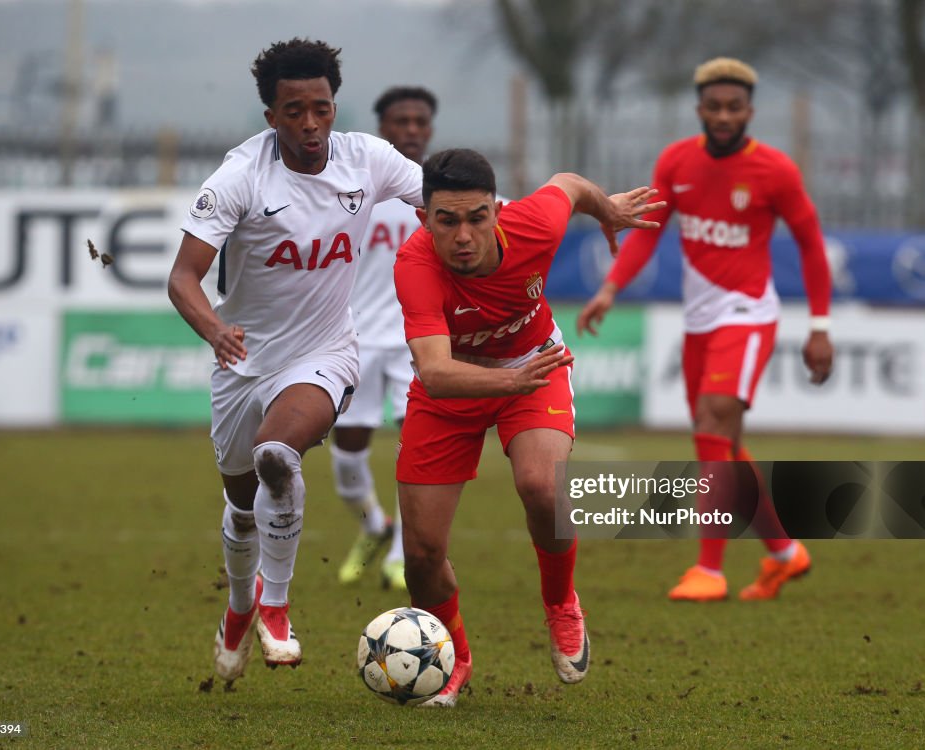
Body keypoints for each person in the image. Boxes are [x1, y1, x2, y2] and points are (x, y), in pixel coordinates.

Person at [167, 38, 423, 684]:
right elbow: (183, 278)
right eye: (294, 112)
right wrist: (215, 330)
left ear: (335, 106)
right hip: (244, 362)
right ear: (271, 117)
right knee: (241, 499)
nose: (311, 125)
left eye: (322, 108)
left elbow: (445, 200)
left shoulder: (368, 160)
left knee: (278, 456)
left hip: (324, 352)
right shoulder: (240, 177)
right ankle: (237, 608)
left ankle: (275, 608)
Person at [394, 148, 664, 706]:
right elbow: (438, 375)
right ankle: (454, 659)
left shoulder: (535, 224)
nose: (463, 235)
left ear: (497, 210)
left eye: (476, 217)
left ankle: (562, 603)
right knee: (420, 555)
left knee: (543, 487)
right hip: (454, 390)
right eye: (447, 221)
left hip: (535, 367)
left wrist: (607, 210)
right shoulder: (414, 264)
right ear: (426, 220)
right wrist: (505, 383)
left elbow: (568, 182)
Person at [577, 57, 834, 602]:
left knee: (712, 423)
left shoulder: (775, 170)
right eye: (713, 106)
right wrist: (610, 288)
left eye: (733, 107)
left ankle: (709, 570)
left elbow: (811, 245)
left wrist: (819, 326)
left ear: (749, 111)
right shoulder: (677, 161)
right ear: (699, 109)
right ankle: (786, 553)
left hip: (748, 314)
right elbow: (647, 231)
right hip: (699, 323)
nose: (722, 115)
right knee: (723, 443)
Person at [331, 86, 437, 592]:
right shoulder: (356, 187)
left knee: (415, 448)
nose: (412, 129)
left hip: (419, 343)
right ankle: (375, 527)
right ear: (382, 127)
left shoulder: (444, 193)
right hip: (352, 340)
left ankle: (400, 556)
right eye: (402, 121)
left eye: (421, 121)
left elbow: (505, 216)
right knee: (347, 456)